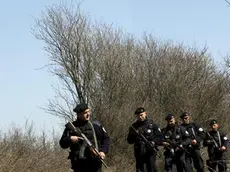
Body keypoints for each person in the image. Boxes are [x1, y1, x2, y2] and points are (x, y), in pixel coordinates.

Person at [59, 103, 110, 172]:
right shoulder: (72, 127)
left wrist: (103, 152)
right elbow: (62, 143)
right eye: (85, 113)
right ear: (78, 114)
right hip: (79, 166)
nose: (88, 114)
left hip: (95, 164)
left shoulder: (96, 125)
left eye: (88, 111)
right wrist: (70, 139)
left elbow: (106, 139)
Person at [127, 107, 163, 172]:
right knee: (140, 169)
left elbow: (160, 137)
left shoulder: (152, 125)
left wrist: (154, 142)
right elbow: (129, 141)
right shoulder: (134, 126)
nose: (140, 117)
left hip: (150, 151)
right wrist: (133, 134)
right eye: (138, 116)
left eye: (141, 115)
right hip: (139, 152)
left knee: (151, 168)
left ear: (145, 114)